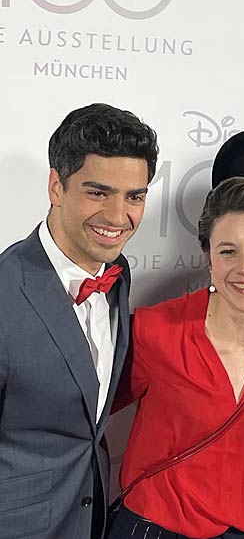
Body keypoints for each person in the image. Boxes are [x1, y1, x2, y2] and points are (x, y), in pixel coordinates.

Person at [109, 176, 244, 539]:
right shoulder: (153, 330)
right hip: (155, 527)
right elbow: (82, 412)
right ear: (209, 257)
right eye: (228, 251)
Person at [0, 103, 158, 539]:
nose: (117, 216)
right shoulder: (5, 291)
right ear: (56, 186)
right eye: (97, 192)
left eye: (134, 197)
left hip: (89, 520)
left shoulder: (118, 273)